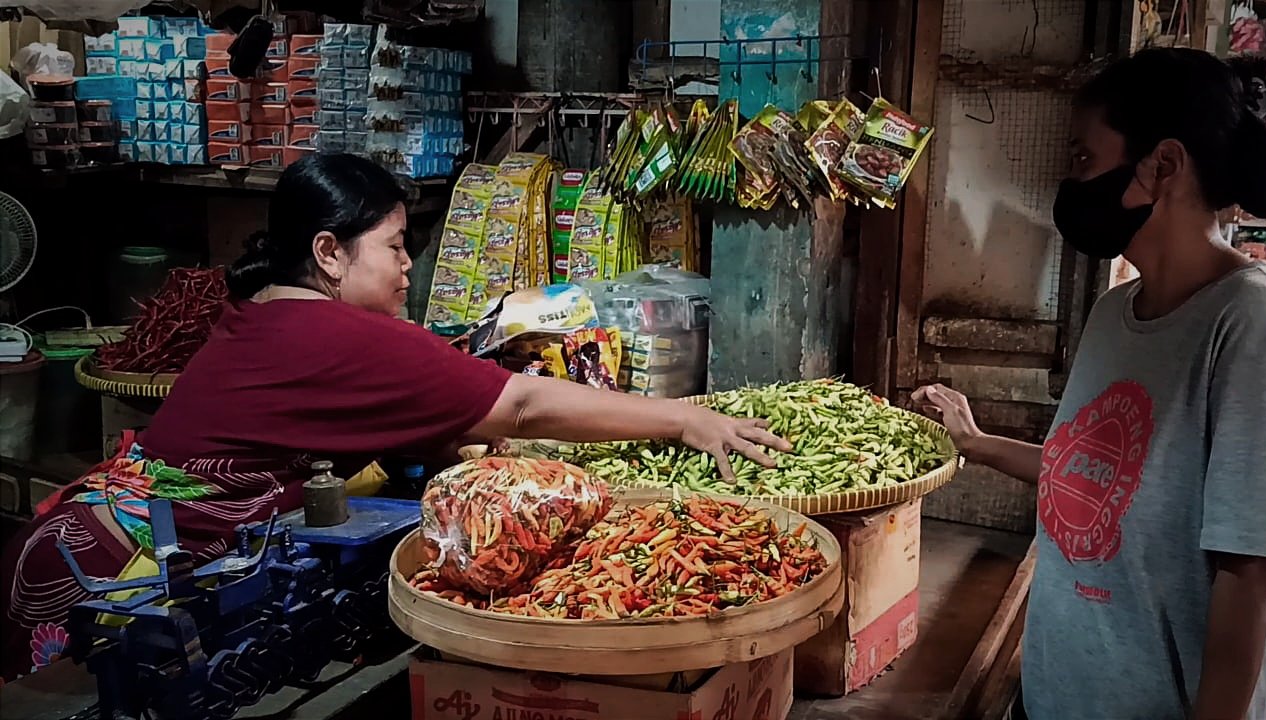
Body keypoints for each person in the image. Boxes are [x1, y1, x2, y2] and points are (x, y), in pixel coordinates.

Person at [0, 153, 790, 682]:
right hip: (124, 589)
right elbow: (517, 403)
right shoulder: (332, 331)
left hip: (100, 541)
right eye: (395, 245)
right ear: (329, 253)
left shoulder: (264, 310)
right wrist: (683, 421)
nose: (410, 266)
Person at [915, 49, 1266, 720]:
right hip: (1055, 699)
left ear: (1162, 165)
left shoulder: (1249, 324)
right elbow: (1090, 478)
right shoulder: (1115, 314)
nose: (1069, 180)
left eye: (1083, 159)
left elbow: (1248, 577)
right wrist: (977, 442)